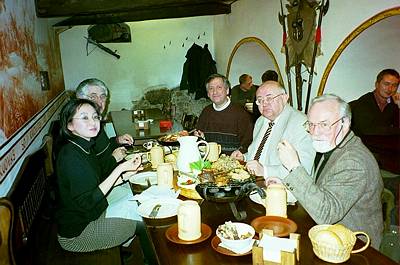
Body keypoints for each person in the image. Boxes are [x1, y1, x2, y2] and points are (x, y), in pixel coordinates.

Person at [55, 98, 156, 264]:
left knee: (139, 202)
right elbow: (87, 202)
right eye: (84, 117)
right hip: (78, 233)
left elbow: (96, 182)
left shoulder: (83, 146)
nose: (93, 122)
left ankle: (123, 245)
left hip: (92, 213)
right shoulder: (71, 157)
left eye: (95, 117)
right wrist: (119, 170)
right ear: (69, 125)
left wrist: (124, 176)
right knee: (144, 222)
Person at [277, 94, 383, 249]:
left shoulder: (354, 161)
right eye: (311, 124)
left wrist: (294, 166)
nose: (314, 132)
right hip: (328, 236)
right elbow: (321, 190)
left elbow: (326, 214)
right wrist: (285, 184)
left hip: (354, 247)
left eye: (324, 124)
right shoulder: (333, 145)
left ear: (344, 123)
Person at [231, 81, 315, 202]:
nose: (264, 104)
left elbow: (303, 170)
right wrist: (244, 157)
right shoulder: (261, 121)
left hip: (284, 195)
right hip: (255, 188)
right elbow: (260, 153)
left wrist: (264, 170)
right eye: (260, 100)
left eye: (269, 98)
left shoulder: (301, 123)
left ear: (284, 98)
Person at [76, 78, 134, 172]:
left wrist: (117, 141)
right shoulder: (81, 129)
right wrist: (114, 159)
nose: (99, 102)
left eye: (102, 97)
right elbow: (94, 174)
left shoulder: (95, 121)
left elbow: (102, 150)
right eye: (93, 97)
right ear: (79, 99)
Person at [349, 69, 400, 173]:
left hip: (381, 144)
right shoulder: (365, 102)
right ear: (377, 84)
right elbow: (368, 130)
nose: (390, 89)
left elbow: (397, 125)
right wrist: (394, 131)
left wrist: (398, 105)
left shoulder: (392, 104)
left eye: (394, 85)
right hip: (363, 145)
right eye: (386, 84)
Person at [195, 73, 254, 154]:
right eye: (211, 88)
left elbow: (248, 142)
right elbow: (200, 138)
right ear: (208, 94)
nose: (215, 92)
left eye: (219, 87)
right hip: (208, 160)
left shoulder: (241, 113)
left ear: (227, 90)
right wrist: (199, 137)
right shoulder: (206, 112)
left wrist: (240, 152)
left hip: (233, 162)